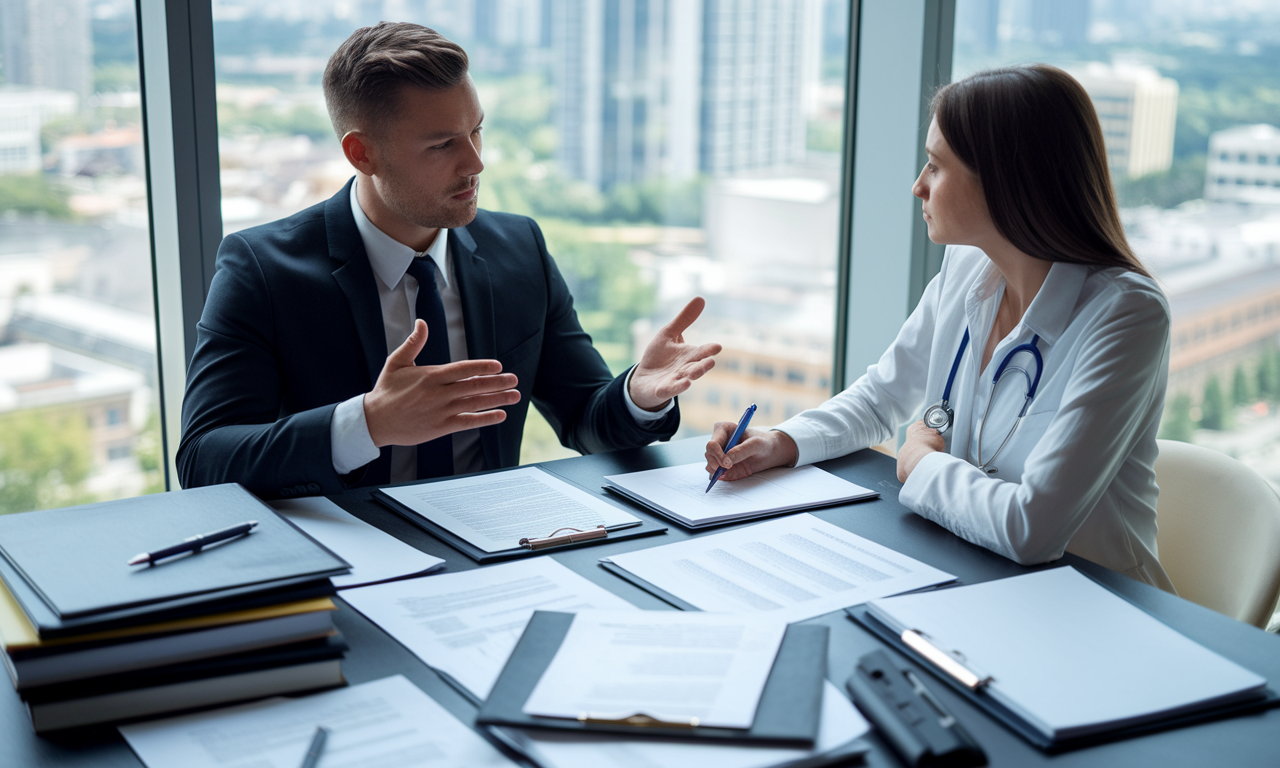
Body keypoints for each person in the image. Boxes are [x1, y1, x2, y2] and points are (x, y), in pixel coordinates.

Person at [178, 22, 720, 499]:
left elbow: (584, 418)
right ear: (361, 153)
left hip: (496, 550)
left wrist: (637, 397)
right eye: (441, 145)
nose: (475, 162)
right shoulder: (263, 269)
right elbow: (204, 459)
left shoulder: (519, 249)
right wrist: (367, 424)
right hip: (352, 564)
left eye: (476, 130)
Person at [704, 64, 1175, 591]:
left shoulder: (1125, 314)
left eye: (935, 166)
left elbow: (1032, 528)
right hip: (978, 573)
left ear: (1006, 182)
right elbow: (882, 397)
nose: (917, 186)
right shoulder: (966, 268)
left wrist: (918, 463)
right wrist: (782, 441)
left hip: (1096, 605)